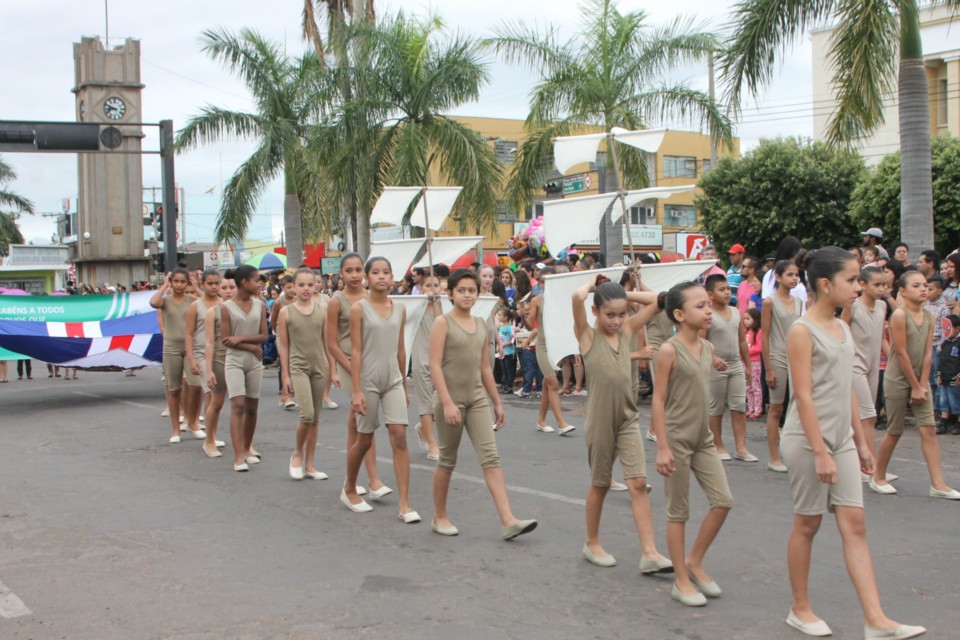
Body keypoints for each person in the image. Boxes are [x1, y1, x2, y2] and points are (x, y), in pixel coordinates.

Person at [780, 247, 926, 640]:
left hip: (841, 440)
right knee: (808, 523)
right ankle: (800, 608)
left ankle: (876, 619)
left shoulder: (843, 328)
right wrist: (822, 451)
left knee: (855, 524)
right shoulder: (801, 330)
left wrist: (860, 443)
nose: (857, 285)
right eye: (851, 279)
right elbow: (805, 396)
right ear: (826, 284)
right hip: (807, 441)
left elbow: (845, 388)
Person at [573, 273, 672, 573]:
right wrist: (594, 286)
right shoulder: (587, 337)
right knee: (600, 484)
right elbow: (577, 297)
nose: (617, 320)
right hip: (600, 422)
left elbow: (660, 300)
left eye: (622, 314)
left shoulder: (628, 329)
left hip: (628, 418)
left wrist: (625, 297)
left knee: (638, 483)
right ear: (595, 312)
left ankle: (650, 552)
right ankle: (592, 543)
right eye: (609, 314)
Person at [429, 269, 537, 540]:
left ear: (479, 294)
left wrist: (497, 403)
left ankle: (508, 520)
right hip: (449, 401)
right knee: (447, 460)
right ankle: (439, 516)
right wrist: (447, 402)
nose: (467, 295)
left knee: (491, 457)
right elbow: (433, 365)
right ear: (450, 293)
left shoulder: (481, 324)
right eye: (461, 290)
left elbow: (485, 369)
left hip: (476, 399)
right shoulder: (442, 322)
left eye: (472, 290)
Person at [652, 282, 734, 608]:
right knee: (678, 512)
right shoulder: (669, 350)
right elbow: (657, 401)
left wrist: (714, 362)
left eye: (708, 304)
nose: (708, 310)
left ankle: (694, 561)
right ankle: (681, 581)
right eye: (700, 306)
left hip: (704, 440)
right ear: (679, 313)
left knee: (723, 501)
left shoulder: (707, 346)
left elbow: (701, 366)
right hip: (677, 440)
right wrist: (662, 447)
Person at [342, 256, 419, 523]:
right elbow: (355, 350)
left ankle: (405, 504)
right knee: (364, 439)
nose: (382, 276)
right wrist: (357, 390)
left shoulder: (399, 309)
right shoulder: (358, 309)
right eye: (376, 272)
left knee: (399, 436)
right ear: (367, 277)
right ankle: (350, 488)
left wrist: (404, 385)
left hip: (393, 380)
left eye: (386, 272)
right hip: (368, 381)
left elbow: (401, 349)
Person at [872, 270, 960, 499]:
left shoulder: (930, 317)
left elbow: (928, 353)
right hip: (898, 379)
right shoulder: (899, 315)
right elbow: (900, 353)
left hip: (920, 380)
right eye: (916, 285)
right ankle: (877, 477)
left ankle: (938, 484)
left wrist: (922, 385)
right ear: (902, 291)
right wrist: (914, 384)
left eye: (924, 285)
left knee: (929, 429)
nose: (923, 289)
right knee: (895, 430)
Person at [327, 253, 388, 498]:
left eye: (358, 270)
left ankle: (349, 478)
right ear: (341, 273)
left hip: (369, 362)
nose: (354, 275)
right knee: (365, 417)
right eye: (349, 270)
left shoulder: (370, 298)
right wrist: (343, 368)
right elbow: (331, 342)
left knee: (357, 421)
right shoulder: (336, 301)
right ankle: (373, 481)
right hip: (347, 361)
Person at [277, 268, 330, 481]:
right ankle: (297, 454)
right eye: (302, 285)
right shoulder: (286, 312)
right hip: (297, 367)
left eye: (311, 284)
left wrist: (333, 370)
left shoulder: (322, 310)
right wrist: (285, 376)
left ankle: (310, 465)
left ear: (316, 286)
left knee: (315, 419)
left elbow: (327, 343)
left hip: (319, 367)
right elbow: (284, 345)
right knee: (306, 414)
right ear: (293, 288)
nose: (306, 288)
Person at [841, 267, 891, 483]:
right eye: (877, 285)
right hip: (855, 366)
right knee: (868, 416)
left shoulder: (882, 306)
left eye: (885, 285)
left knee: (863, 417)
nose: (882, 289)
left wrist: (892, 360)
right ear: (862, 284)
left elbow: (881, 337)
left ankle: (862, 464)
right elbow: (842, 331)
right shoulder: (852, 306)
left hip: (873, 366)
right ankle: (874, 468)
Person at [703, 274, 756, 462]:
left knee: (739, 406)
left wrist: (748, 365)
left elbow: (742, 340)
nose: (727, 292)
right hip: (715, 366)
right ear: (710, 294)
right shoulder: (707, 314)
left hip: (735, 365)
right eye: (722, 289)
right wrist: (713, 357)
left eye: (727, 289)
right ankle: (718, 446)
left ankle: (741, 448)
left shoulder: (735, 312)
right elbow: (700, 342)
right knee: (715, 408)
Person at [221, 265, 268, 472]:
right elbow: (226, 339)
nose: (259, 284)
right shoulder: (226, 307)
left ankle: (248, 448)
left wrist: (241, 338)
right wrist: (248, 345)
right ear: (244, 283)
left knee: (252, 407)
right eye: (256, 280)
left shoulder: (260, 304)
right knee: (238, 406)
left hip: (254, 361)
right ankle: (238, 455)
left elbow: (264, 336)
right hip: (235, 360)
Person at [150, 268, 203, 444]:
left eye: (183, 282)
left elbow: (210, 303)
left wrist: (196, 286)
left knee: (195, 385)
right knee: (174, 388)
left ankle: (192, 422)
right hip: (171, 347)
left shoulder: (192, 301)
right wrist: (164, 285)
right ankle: (175, 429)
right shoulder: (165, 301)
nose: (179, 285)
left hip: (191, 347)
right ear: (172, 282)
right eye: (176, 281)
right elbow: (153, 302)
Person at [524, 267, 576, 435]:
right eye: (543, 281)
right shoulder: (537, 300)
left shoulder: (563, 300)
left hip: (557, 346)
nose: (546, 283)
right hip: (543, 346)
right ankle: (561, 423)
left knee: (548, 383)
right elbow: (531, 325)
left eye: (550, 280)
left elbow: (569, 325)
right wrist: (525, 315)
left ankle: (541, 420)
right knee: (553, 382)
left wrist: (572, 348)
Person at [762, 260, 802, 472]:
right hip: (777, 356)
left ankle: (793, 453)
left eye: (796, 275)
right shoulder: (770, 302)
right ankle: (773, 456)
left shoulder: (798, 302)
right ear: (777, 277)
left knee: (796, 407)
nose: (795, 278)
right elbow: (765, 335)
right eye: (790, 274)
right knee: (776, 408)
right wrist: (768, 367)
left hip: (796, 357)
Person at [202, 271, 236, 458]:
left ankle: (245, 446)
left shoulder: (243, 309)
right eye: (224, 288)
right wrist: (208, 370)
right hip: (219, 360)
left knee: (242, 404)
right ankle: (209, 440)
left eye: (232, 287)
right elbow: (209, 342)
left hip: (239, 360)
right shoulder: (212, 312)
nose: (228, 291)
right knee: (217, 402)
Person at [184, 269, 221, 441]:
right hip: (200, 352)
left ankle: (211, 433)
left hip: (218, 354)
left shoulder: (224, 304)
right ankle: (210, 438)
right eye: (210, 283)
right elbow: (189, 333)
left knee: (217, 397)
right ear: (203, 284)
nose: (214, 287)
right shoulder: (195, 306)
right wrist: (191, 359)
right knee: (210, 393)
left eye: (216, 283)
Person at [411, 272, 442, 461]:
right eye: (428, 285)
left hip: (441, 363)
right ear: (421, 288)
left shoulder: (444, 308)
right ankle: (432, 444)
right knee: (426, 404)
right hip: (421, 359)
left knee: (441, 403)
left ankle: (424, 427)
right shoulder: (416, 308)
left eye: (436, 285)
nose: (432, 289)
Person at [924, 276, 950, 429]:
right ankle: (931, 408)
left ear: (940, 291)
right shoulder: (925, 305)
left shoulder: (943, 308)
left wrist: (940, 347)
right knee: (927, 378)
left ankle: (939, 410)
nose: (926, 291)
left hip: (936, 347)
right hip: (925, 346)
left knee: (936, 379)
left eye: (930, 289)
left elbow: (946, 331)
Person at [937, 314, 960, 435]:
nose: (946, 331)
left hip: (955, 378)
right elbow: (942, 360)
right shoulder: (945, 343)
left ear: (957, 328)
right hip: (945, 377)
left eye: (948, 328)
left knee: (955, 400)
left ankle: (958, 422)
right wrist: (939, 374)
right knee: (944, 401)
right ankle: (943, 421)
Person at [744, 308, 763, 419]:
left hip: (754, 362)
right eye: (744, 319)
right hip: (745, 362)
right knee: (748, 386)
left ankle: (758, 409)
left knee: (755, 385)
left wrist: (746, 352)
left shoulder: (758, 332)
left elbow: (759, 347)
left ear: (755, 320)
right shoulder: (745, 332)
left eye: (748, 319)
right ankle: (751, 407)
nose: (745, 321)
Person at [496, 308, 517, 394]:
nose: (498, 317)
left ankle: (509, 386)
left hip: (509, 352)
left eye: (500, 315)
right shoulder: (500, 328)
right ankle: (504, 385)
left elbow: (513, 339)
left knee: (509, 370)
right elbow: (499, 339)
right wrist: (498, 346)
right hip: (502, 353)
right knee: (504, 370)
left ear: (506, 317)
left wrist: (504, 344)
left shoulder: (510, 327)